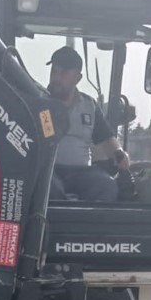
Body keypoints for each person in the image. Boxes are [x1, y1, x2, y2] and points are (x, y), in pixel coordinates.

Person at [47, 45, 130, 203]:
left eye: (63, 73)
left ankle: (91, 225)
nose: (56, 77)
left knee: (106, 185)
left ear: (78, 78)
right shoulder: (40, 102)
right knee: (47, 188)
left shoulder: (89, 106)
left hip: (82, 172)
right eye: (54, 71)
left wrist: (119, 153)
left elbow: (106, 138)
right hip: (50, 171)